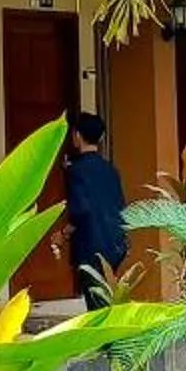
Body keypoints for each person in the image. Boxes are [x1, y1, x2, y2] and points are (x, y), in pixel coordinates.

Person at [63, 111, 128, 310]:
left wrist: (63, 234)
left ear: (77, 135)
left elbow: (80, 210)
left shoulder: (76, 171)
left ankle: (106, 341)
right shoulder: (110, 169)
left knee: (96, 303)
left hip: (91, 244)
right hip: (115, 242)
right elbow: (120, 205)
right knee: (107, 296)